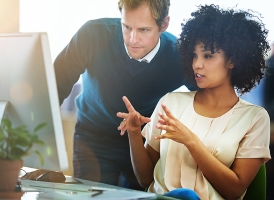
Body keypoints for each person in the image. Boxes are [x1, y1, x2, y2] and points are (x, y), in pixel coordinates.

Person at [117, 4, 271, 199]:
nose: (197, 64)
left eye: (208, 56)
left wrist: (190, 141)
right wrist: (133, 134)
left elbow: (235, 191)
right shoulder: (170, 103)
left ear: (233, 60)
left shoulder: (254, 118)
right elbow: (145, 179)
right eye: (194, 55)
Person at [53, 0, 197, 190]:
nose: (132, 39)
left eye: (143, 30)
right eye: (127, 27)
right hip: (93, 137)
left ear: (163, 25)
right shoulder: (92, 35)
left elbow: (209, 94)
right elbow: (55, 86)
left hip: (143, 144)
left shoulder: (178, 56)